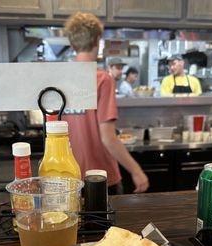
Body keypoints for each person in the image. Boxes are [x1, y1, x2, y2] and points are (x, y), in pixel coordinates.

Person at [63, 12, 149, 194]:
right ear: (97, 40)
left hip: (68, 179)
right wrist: (136, 170)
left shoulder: (59, 79)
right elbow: (108, 138)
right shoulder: (103, 79)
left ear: (72, 44)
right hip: (101, 178)